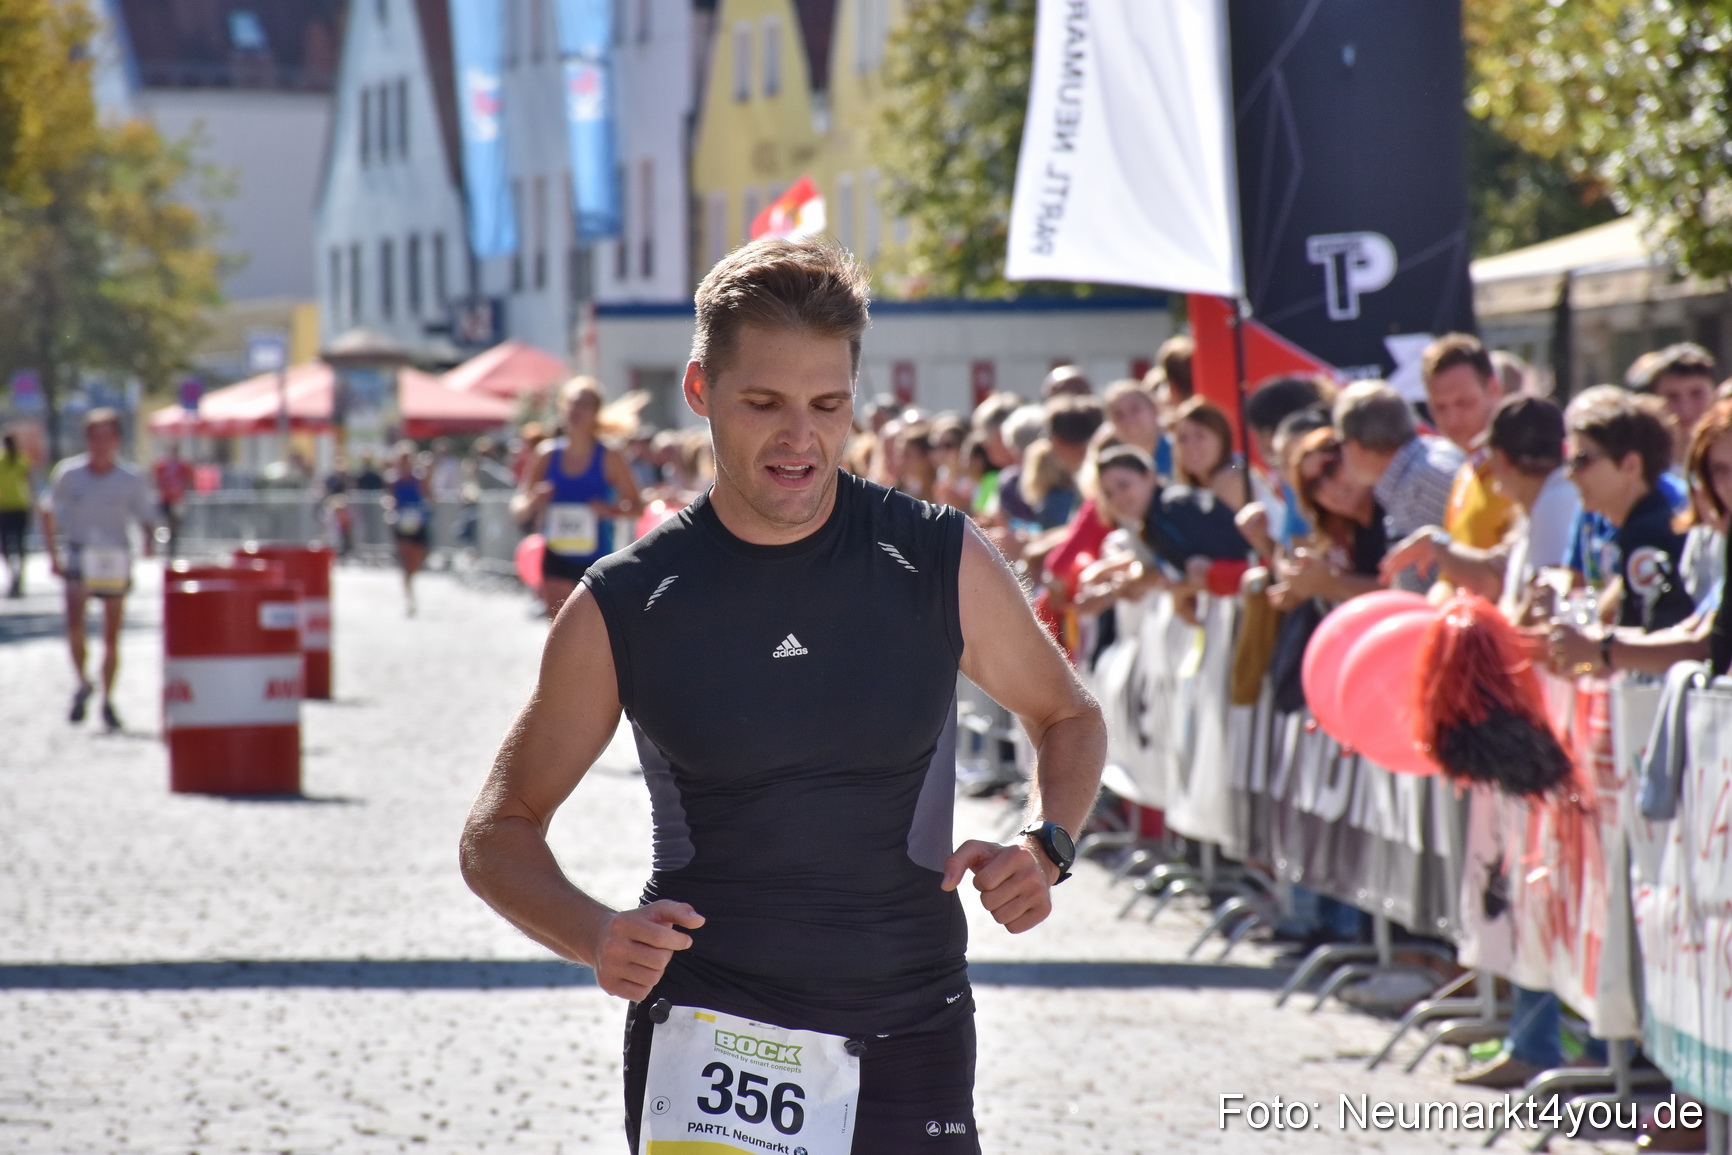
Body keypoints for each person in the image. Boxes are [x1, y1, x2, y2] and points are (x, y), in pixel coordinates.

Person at [459, 237, 1105, 1154]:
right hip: (715, 1033)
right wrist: (596, 933)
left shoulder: (935, 556)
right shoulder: (626, 599)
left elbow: (1069, 714)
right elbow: (497, 830)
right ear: (700, 392)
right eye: (764, 403)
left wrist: (1047, 844)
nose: (800, 436)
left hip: (912, 1026)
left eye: (827, 404)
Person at [38, 409, 158, 729]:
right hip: (79, 555)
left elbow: (147, 516)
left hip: (114, 558)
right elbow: (47, 509)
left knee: (111, 635)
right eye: (94, 436)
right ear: (86, 439)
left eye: (107, 436)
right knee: (75, 624)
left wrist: (149, 540)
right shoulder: (70, 474)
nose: (101, 443)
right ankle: (82, 682)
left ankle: (108, 698)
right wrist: (53, 554)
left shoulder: (130, 478)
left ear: (117, 439)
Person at [1559, 389, 1694, 634]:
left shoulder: (1649, 533)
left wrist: (1593, 650)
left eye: (1581, 461)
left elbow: (1654, 639)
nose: (1570, 475)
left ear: (1630, 465)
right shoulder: (1643, 522)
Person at [511, 377, 643, 619]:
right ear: (562, 408)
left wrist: (610, 511)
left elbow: (637, 507)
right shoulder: (547, 454)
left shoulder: (609, 456)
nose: (575, 410)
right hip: (556, 553)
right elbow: (518, 507)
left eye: (583, 404)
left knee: (588, 632)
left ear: (595, 413)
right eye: (571, 403)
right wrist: (533, 501)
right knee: (557, 628)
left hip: (596, 558)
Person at [1333, 380, 1464, 591]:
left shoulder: (1425, 479)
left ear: (1356, 445)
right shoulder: (1423, 463)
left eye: (1340, 443)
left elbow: (1481, 542)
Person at [1420, 334, 1514, 553]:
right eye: (1440, 407)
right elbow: (1452, 578)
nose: (1452, 420)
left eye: (1464, 403)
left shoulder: (1527, 469)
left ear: (1493, 390)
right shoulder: (1465, 474)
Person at [1638, 342, 1717, 467]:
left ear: (1715, 393)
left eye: (1697, 394)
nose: (1686, 408)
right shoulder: (1643, 468)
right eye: (1672, 397)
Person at [1170, 396, 1250, 511]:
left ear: (1221, 438)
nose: (1190, 445)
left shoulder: (1231, 476)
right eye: (1183, 438)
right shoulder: (1197, 488)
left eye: (1200, 436)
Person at [384, 441, 430, 616]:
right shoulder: (393, 479)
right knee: (405, 557)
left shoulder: (419, 478)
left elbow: (428, 495)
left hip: (418, 521)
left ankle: (411, 582)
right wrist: (391, 512)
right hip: (402, 522)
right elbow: (390, 499)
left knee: (417, 558)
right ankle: (408, 595)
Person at [0, 432, 31, 597]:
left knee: (17, 546)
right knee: (10, 546)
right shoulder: (4, 461)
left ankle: (18, 578)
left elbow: (27, 481)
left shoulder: (21, 460)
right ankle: (14, 577)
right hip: (9, 507)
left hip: (16, 507)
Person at [152, 445, 195, 559]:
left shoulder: (183, 465)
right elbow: (155, 477)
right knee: (166, 524)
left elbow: (190, 478)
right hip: (166, 499)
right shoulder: (163, 465)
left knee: (175, 525)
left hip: (178, 499)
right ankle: (167, 547)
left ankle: (172, 548)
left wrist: (186, 491)